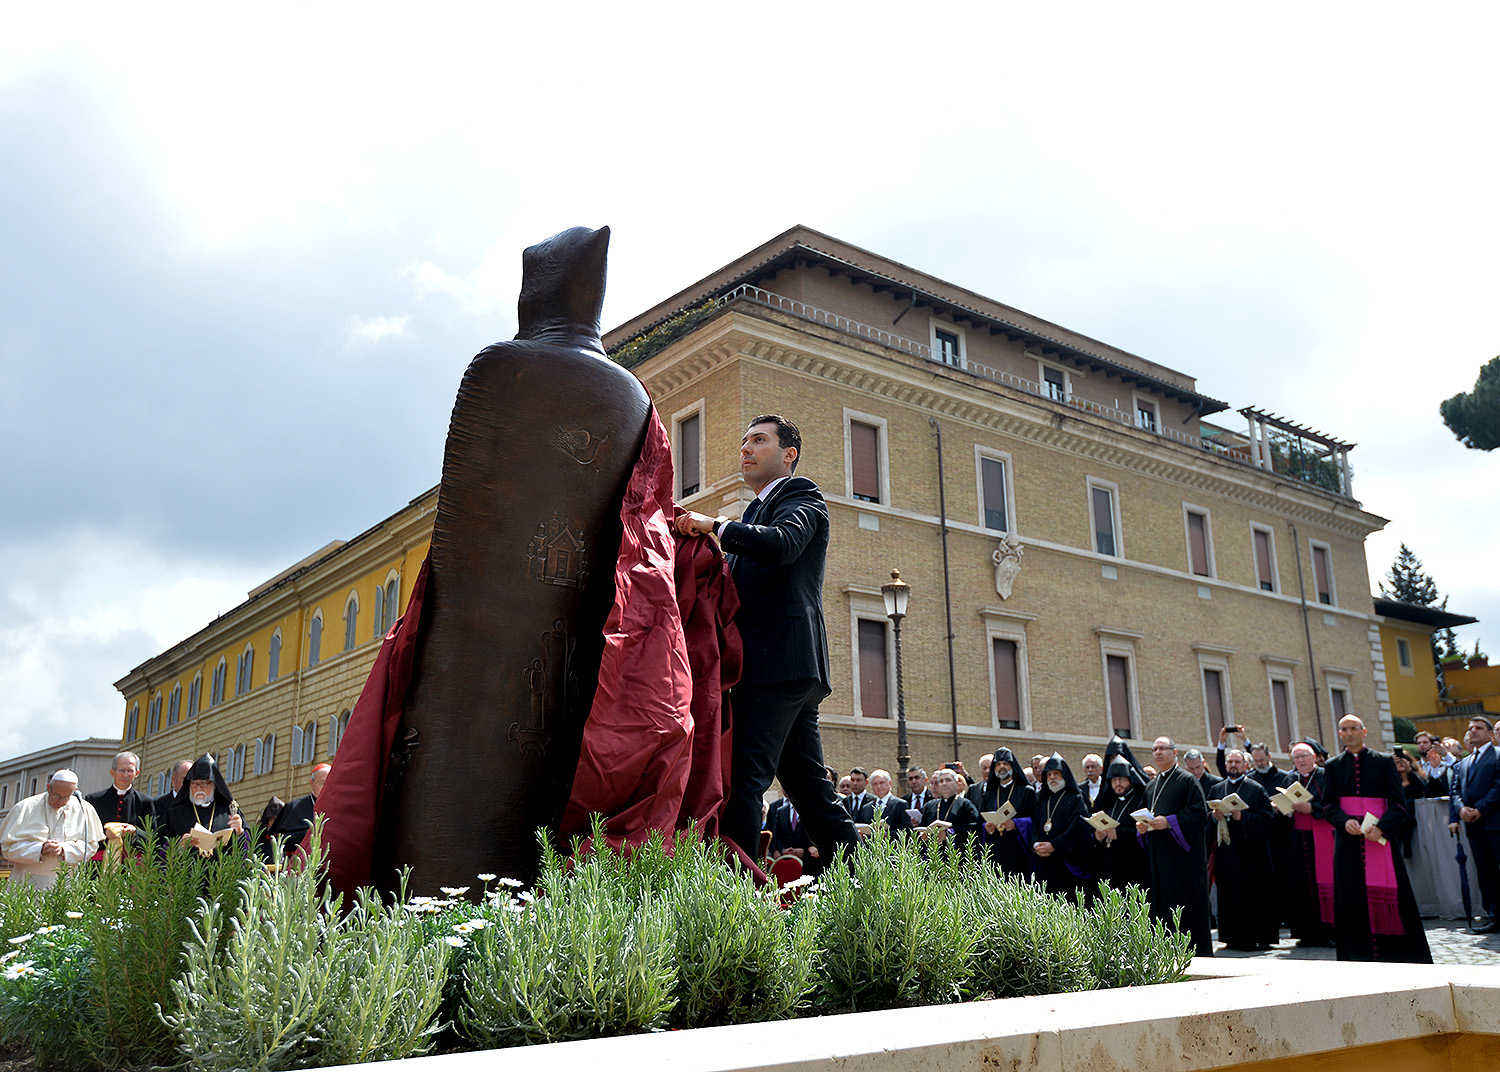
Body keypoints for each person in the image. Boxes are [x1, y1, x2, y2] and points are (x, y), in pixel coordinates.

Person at [676, 414, 857, 866]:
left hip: (780, 660)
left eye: (759, 440)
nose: (746, 448)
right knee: (810, 790)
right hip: (778, 664)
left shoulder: (802, 494)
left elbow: (783, 544)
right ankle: (869, 884)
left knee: (741, 779)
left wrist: (715, 526)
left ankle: (732, 896)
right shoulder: (754, 512)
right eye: (744, 442)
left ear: (788, 454)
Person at [1317, 715, 1431, 963]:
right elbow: (1327, 806)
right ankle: (1358, 955)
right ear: (1339, 734)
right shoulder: (1334, 766)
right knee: (1351, 897)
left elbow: (1399, 805)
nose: (1349, 733)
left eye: (1354, 728)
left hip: (1380, 840)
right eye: (1344, 729)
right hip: (1348, 843)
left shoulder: (1382, 762)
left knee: (1393, 897)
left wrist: (1382, 828)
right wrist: (1343, 821)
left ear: (1364, 731)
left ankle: (1397, 953)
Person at [1137, 737, 1213, 957]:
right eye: (1155, 749)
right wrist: (1143, 827)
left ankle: (1195, 952)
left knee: (1184, 904)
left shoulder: (1188, 780)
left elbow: (1199, 814)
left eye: (1163, 748)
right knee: (1162, 904)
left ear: (1174, 752)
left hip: (1183, 861)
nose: (1158, 752)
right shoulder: (1151, 786)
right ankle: (1166, 952)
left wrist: (1168, 821)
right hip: (1160, 857)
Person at [1207, 749, 1279, 951]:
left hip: (1251, 856)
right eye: (1230, 761)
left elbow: (1268, 820)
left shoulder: (1255, 789)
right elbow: (1206, 821)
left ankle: (1257, 937)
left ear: (1246, 766)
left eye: (1237, 761)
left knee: (1252, 895)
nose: (1233, 765)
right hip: (1227, 854)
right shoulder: (1217, 789)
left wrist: (1242, 817)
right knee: (1229, 894)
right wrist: (1214, 817)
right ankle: (1232, 937)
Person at [0, 770, 104, 889]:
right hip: (26, 883)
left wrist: (64, 850)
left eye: (66, 797)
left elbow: (91, 847)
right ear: (49, 788)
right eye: (57, 796)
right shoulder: (25, 807)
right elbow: (8, 848)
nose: (60, 802)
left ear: (75, 791)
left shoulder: (84, 809)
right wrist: (39, 850)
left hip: (66, 884)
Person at [1448, 716, 1500, 934]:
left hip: (1495, 823)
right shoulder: (1464, 762)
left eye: (1478, 728)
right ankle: (1495, 916)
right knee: (1486, 873)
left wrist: (1479, 808)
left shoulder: (1498, 756)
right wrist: (1460, 810)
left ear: (1490, 733)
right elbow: (1455, 791)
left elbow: (1499, 786)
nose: (1473, 732)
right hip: (1474, 828)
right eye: (1470, 729)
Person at [1284, 742, 1333, 947]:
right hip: (1298, 837)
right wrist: (1283, 808)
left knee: (1325, 883)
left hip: (1322, 836)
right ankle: (1307, 933)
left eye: (1304, 756)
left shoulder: (1325, 776)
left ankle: (1330, 932)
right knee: (1301, 884)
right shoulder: (1290, 778)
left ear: (1314, 757)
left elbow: (1333, 804)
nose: (1301, 761)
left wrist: (1311, 807)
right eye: (1296, 758)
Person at [1030, 754, 1093, 903]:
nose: (1052, 777)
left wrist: (1055, 845)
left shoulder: (1076, 798)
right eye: (1049, 774)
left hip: (1066, 865)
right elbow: (1035, 826)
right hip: (1045, 863)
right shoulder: (1043, 799)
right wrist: (1036, 844)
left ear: (1064, 775)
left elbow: (1079, 827)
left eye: (1056, 774)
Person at [160, 754, 246, 848]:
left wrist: (240, 832)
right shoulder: (174, 813)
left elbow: (249, 849)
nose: (198, 788)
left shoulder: (229, 812)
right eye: (194, 784)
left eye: (204, 784)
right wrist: (178, 846)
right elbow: (158, 849)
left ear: (214, 785)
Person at [1092, 756, 1150, 892]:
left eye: (1121, 779)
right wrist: (1098, 837)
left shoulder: (1140, 800)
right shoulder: (1110, 802)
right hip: (1110, 863)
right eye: (1113, 780)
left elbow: (1145, 832)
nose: (1117, 783)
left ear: (1130, 779)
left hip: (1133, 865)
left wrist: (1119, 834)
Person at [976, 747, 1034, 878]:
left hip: (1019, 850)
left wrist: (1017, 824)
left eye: (1005, 763)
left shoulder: (1026, 791)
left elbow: (1036, 819)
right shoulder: (988, 795)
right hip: (996, 850)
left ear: (1012, 766)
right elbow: (980, 823)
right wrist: (986, 828)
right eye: (998, 764)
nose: (1001, 767)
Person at [84, 751, 153, 857]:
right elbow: (85, 831)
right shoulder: (93, 800)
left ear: (137, 773)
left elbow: (153, 835)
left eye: (130, 771)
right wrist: (103, 834)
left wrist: (135, 832)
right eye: (121, 770)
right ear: (112, 772)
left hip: (131, 863)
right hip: (99, 860)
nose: (126, 775)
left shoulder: (146, 802)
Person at [267, 763, 330, 857]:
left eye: (329, 783)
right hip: (300, 865)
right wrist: (311, 834)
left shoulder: (342, 807)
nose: (326, 787)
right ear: (311, 783)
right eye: (321, 783)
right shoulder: (294, 807)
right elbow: (279, 840)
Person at [920, 768, 981, 851]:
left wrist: (949, 833)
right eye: (941, 781)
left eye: (948, 780)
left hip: (959, 855)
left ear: (957, 784)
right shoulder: (929, 806)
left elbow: (974, 828)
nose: (944, 783)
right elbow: (922, 827)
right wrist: (923, 835)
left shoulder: (965, 805)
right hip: (935, 854)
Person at [854, 769, 913, 839]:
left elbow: (907, 830)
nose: (879, 786)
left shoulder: (900, 804)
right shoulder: (866, 808)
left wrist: (887, 835)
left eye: (882, 783)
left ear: (890, 783)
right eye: (875, 784)